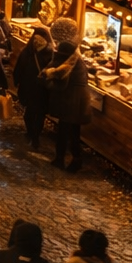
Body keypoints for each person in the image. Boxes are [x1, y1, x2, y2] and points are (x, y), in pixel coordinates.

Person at [44, 20, 90, 172]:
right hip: (79, 101)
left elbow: (61, 83)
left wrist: (49, 81)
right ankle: (76, 159)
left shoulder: (66, 64)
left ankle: (61, 159)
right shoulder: (76, 59)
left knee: (63, 132)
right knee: (74, 132)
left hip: (70, 102)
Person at [13, 27, 55, 151]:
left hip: (39, 89)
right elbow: (19, 66)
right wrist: (17, 80)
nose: (37, 42)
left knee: (37, 114)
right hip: (32, 88)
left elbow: (19, 67)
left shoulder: (44, 53)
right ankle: (32, 133)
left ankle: (34, 136)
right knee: (32, 114)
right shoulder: (30, 51)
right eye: (35, 39)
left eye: (39, 39)